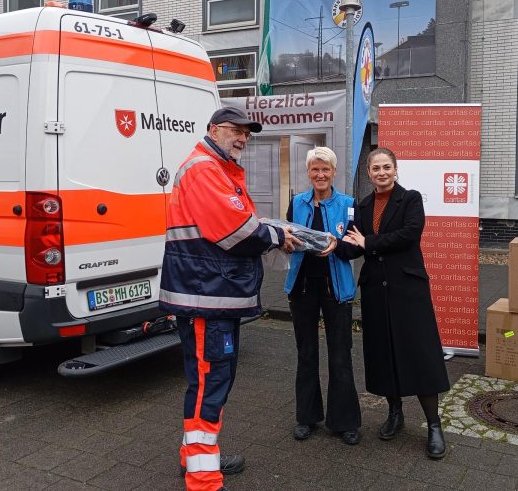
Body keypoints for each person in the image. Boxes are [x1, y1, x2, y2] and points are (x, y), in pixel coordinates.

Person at [160, 106, 298, 491]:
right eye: (235, 130)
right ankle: (203, 478)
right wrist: (279, 237)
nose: (242, 138)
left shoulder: (214, 168)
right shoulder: (205, 169)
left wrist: (268, 230)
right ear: (213, 130)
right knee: (210, 382)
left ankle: (194, 457)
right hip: (208, 297)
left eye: (246, 134)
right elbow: (236, 229)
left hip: (212, 295)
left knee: (208, 380)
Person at [342, 147, 450, 459]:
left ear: (395, 168)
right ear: (369, 173)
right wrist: (328, 244)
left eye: (386, 167)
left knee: (420, 355)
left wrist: (369, 242)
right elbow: (354, 246)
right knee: (385, 354)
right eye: (375, 168)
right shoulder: (362, 206)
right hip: (376, 291)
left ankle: (433, 425)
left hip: (408, 290)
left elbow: (410, 234)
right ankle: (395, 414)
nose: (381, 172)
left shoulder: (411, 199)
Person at [284, 147, 362, 445]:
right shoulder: (297, 203)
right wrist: (287, 244)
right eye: (315, 169)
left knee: (341, 355)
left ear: (333, 172)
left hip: (336, 289)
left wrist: (337, 246)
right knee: (306, 354)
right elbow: (289, 237)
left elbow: (356, 247)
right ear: (308, 172)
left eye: (325, 169)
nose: (320, 174)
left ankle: (345, 421)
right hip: (302, 289)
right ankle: (307, 417)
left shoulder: (348, 205)